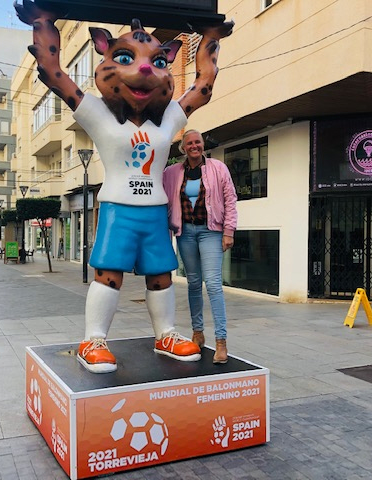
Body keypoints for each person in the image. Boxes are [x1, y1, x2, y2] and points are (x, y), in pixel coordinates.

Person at [15, 2, 233, 373]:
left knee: (161, 275)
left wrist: (210, 39)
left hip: (154, 212)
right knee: (109, 274)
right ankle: (94, 339)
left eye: (158, 61)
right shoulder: (97, 113)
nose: (144, 69)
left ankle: (165, 333)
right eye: (125, 57)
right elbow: (54, 73)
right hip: (118, 208)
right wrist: (43, 22)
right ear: (103, 52)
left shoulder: (169, 118)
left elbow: (203, 87)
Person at [163, 130, 238, 364]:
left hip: (211, 231)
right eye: (189, 143)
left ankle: (221, 342)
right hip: (185, 232)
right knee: (194, 283)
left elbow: (230, 199)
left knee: (213, 284)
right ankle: (197, 333)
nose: (194, 146)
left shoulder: (218, 168)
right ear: (183, 148)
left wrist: (229, 231)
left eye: (198, 142)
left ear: (202, 145)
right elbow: (162, 198)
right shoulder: (172, 173)